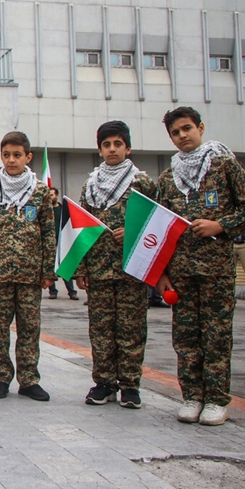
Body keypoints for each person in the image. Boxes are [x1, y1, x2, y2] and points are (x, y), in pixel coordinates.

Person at [155, 107, 245, 426]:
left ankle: (216, 399)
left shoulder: (223, 163)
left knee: (215, 335)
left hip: (216, 269)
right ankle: (192, 396)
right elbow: (159, 226)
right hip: (182, 271)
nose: (182, 136)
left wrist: (220, 226)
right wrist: (161, 273)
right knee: (185, 336)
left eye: (187, 128)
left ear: (200, 127)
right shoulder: (168, 177)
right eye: (175, 132)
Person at [75, 121, 157, 409]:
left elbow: (156, 224)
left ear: (128, 147)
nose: (112, 149)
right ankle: (104, 382)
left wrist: (133, 231)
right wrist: (81, 269)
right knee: (101, 329)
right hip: (98, 269)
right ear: (99, 150)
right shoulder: (90, 185)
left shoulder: (142, 183)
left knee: (131, 329)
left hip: (131, 268)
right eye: (107, 145)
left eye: (117, 144)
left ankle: (130, 386)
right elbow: (81, 229)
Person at [0, 131, 56, 402]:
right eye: (7, 155)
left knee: (29, 328)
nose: (12, 160)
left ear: (28, 157)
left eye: (17, 155)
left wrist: (48, 272)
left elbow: (48, 232)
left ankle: (29, 379)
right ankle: (0, 377)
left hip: (30, 273)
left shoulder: (41, 192)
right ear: (1, 156)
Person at [48, 188, 79, 300]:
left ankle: (72, 292)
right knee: (50, 269)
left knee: (65, 268)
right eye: (48, 195)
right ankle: (52, 291)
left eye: (52, 195)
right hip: (50, 244)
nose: (50, 197)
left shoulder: (62, 211)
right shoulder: (46, 211)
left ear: (56, 196)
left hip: (62, 243)